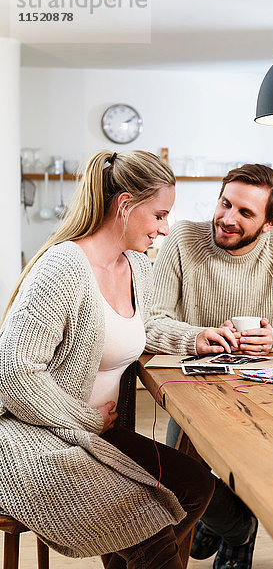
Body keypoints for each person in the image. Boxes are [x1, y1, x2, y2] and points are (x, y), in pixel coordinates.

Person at [0, 150, 215, 569]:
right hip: (37, 438)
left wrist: (197, 339)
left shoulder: (136, 264)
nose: (165, 229)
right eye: (158, 215)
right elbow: (13, 371)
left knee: (195, 485)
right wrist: (86, 418)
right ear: (125, 205)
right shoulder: (63, 268)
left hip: (99, 432)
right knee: (143, 519)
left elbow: (141, 327)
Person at [145, 163, 273, 569]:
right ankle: (237, 524)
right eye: (225, 203)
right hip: (196, 384)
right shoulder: (182, 239)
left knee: (270, 469)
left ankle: (227, 525)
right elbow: (150, 320)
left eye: (245, 213)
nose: (227, 218)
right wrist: (197, 337)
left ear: (271, 222)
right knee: (173, 478)